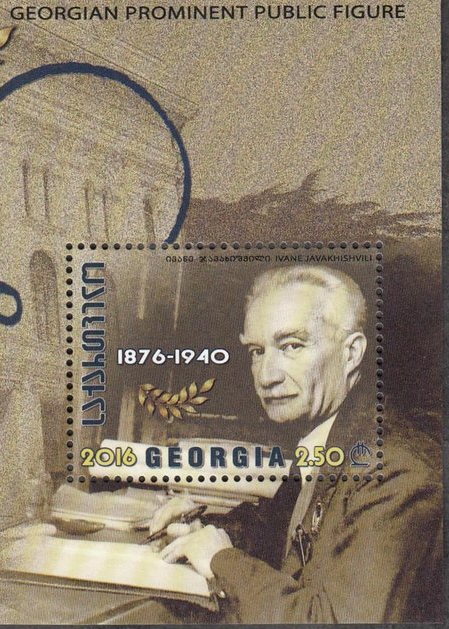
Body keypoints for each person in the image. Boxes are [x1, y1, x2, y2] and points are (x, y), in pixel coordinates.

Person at [151, 265, 441, 622]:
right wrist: (207, 530)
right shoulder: (334, 438)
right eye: (257, 351)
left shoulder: (395, 469)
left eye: (291, 346)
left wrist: (222, 559)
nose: (267, 376)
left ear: (351, 353)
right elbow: (282, 532)